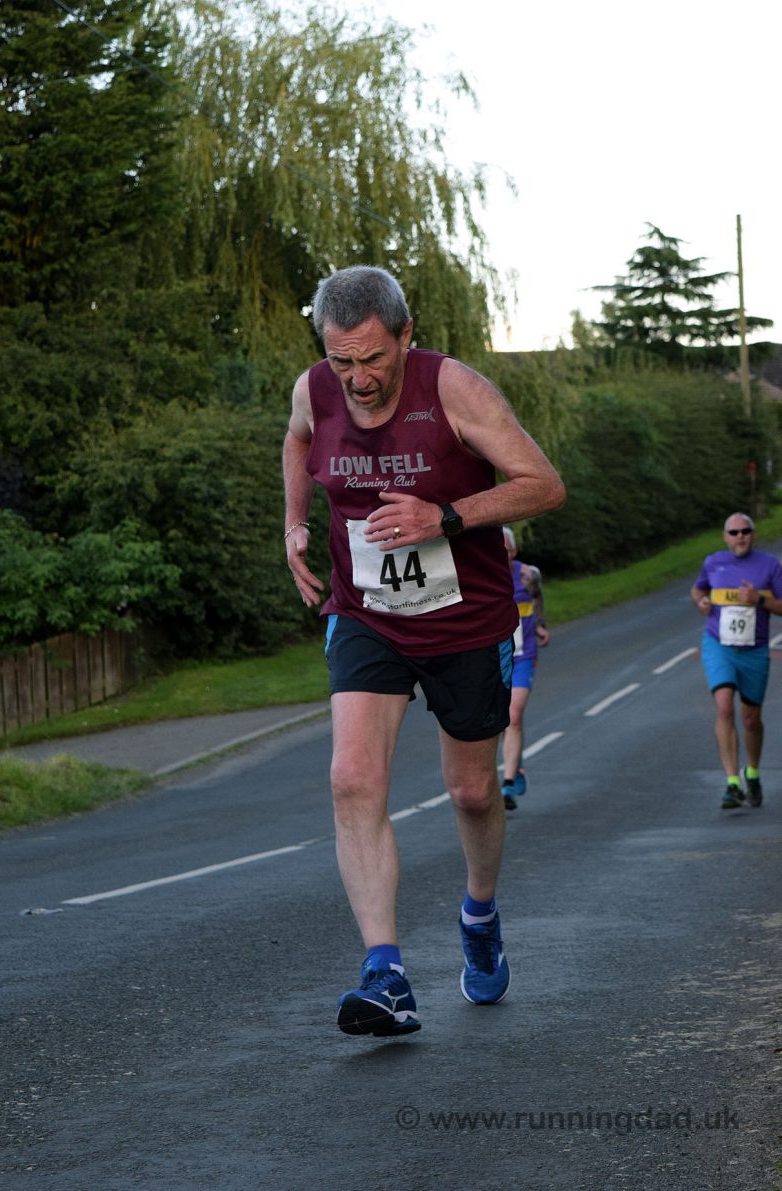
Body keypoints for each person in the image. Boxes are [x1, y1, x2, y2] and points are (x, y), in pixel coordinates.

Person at [282, 265, 565, 1037]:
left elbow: (543, 485)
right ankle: (387, 973)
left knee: (472, 791)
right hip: (367, 613)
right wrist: (295, 524)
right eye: (343, 361)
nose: (359, 379)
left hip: (465, 620)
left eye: (373, 358)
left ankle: (479, 911)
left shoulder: (454, 390)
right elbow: (299, 438)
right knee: (350, 777)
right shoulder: (316, 388)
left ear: (407, 335)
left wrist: (443, 515)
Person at [691, 513, 782, 811]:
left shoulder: (769, 565)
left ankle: (752, 773)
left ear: (753, 534)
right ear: (725, 536)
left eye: (745, 531)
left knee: (751, 718)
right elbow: (698, 589)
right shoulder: (713, 562)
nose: (740, 536)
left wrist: (759, 599)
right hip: (719, 645)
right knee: (725, 705)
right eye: (734, 532)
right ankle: (732, 783)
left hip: (754, 651)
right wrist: (701, 601)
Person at [499, 526, 549, 811]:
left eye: (505, 548)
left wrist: (540, 624)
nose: (500, 552)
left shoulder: (528, 575)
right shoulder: (481, 576)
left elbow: (538, 598)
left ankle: (507, 783)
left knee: (513, 716)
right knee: (494, 720)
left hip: (522, 655)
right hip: (492, 658)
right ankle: (515, 766)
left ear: (514, 550)